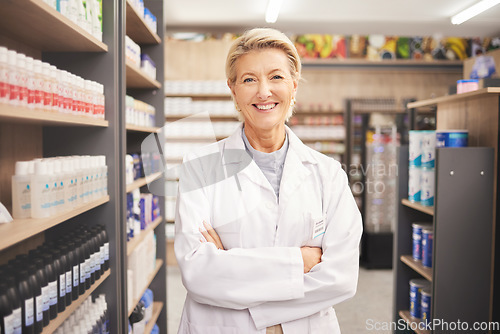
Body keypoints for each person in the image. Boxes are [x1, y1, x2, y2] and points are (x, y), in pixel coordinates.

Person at [174, 27, 363, 334]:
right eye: (249, 79)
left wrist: (230, 267)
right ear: (233, 90)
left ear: (293, 85)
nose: (263, 91)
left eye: (276, 77)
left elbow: (341, 279)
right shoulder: (200, 167)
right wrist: (298, 261)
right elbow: (197, 273)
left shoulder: (327, 174)